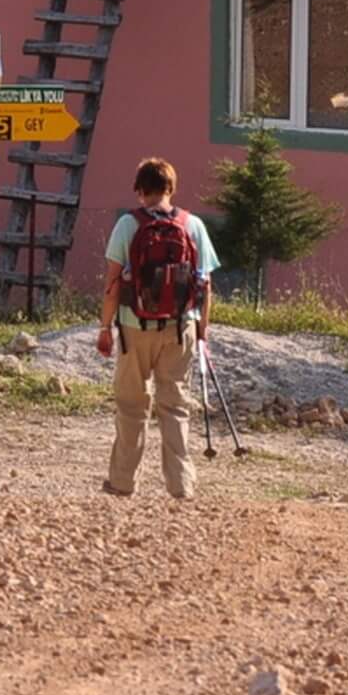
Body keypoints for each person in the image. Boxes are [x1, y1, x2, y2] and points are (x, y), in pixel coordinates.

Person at [95, 158, 218, 501]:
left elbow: (112, 284)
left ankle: (121, 482)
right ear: (171, 188)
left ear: (139, 190)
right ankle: (181, 486)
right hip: (181, 327)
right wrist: (203, 332)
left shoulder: (127, 225)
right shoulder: (192, 225)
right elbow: (205, 284)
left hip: (135, 327)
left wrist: (105, 328)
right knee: (175, 406)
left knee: (132, 406)